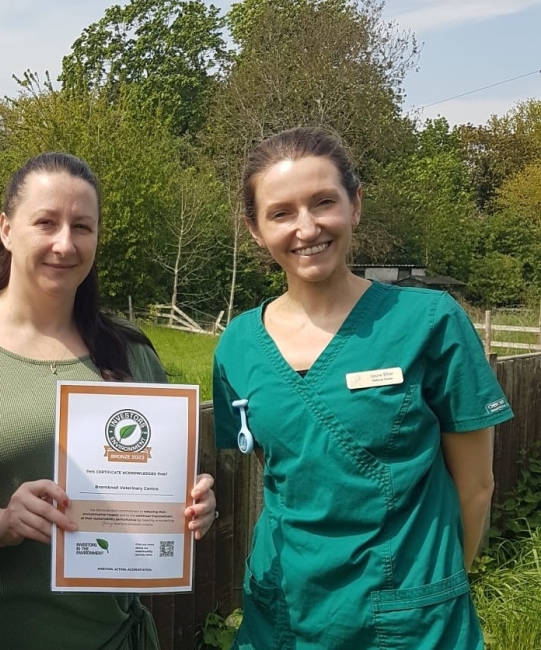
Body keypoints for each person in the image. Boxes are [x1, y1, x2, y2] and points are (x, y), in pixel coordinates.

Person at [0, 151, 217, 650]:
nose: (65, 244)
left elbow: (164, 491)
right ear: (6, 229)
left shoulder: (131, 353)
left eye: (82, 227)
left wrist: (195, 506)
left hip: (114, 638)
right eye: (46, 222)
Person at [212, 127, 514, 649]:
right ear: (256, 230)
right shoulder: (237, 344)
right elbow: (287, 471)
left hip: (412, 621)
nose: (307, 227)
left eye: (324, 202)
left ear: (355, 205)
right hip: (282, 612)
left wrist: (431, 590)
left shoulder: (430, 321)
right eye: (281, 212)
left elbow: (477, 486)